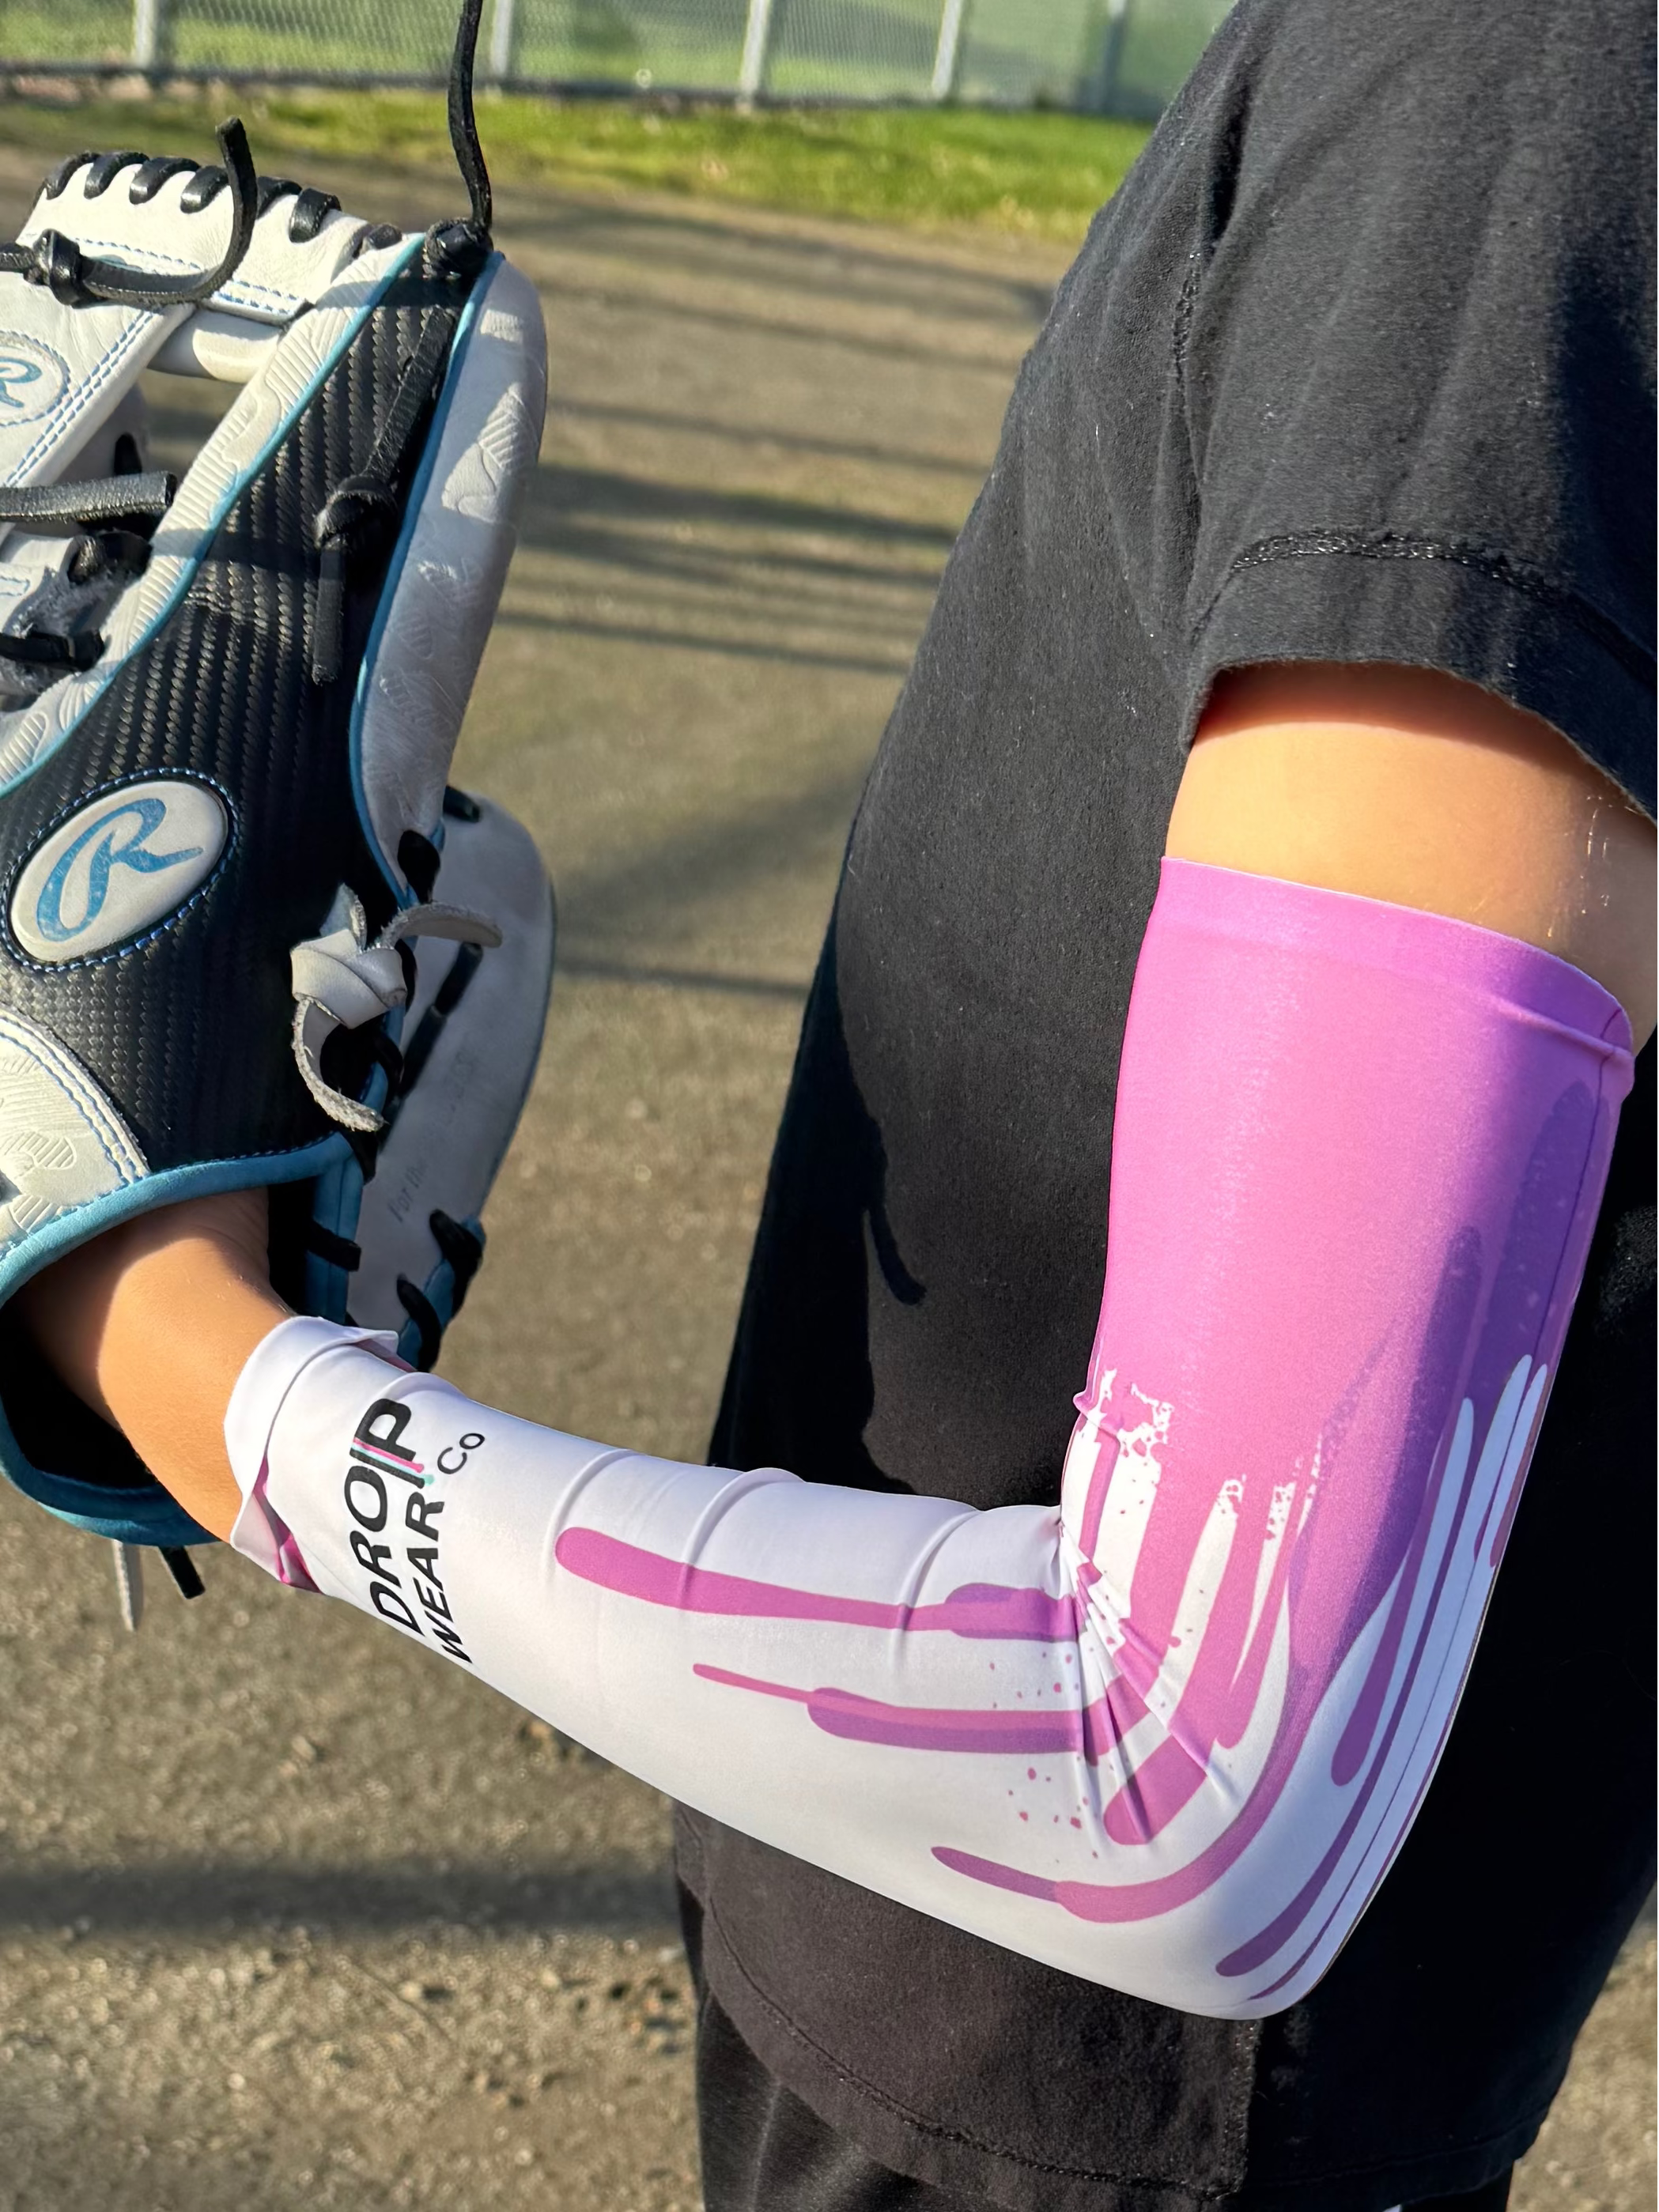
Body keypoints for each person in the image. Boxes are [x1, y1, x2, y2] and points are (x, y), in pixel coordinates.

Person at [19, 0, 1656, 2205]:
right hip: (966, 1952)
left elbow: (1190, 1762)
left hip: (1079, 2069)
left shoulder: (1525, 102)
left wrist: (201, 1371)